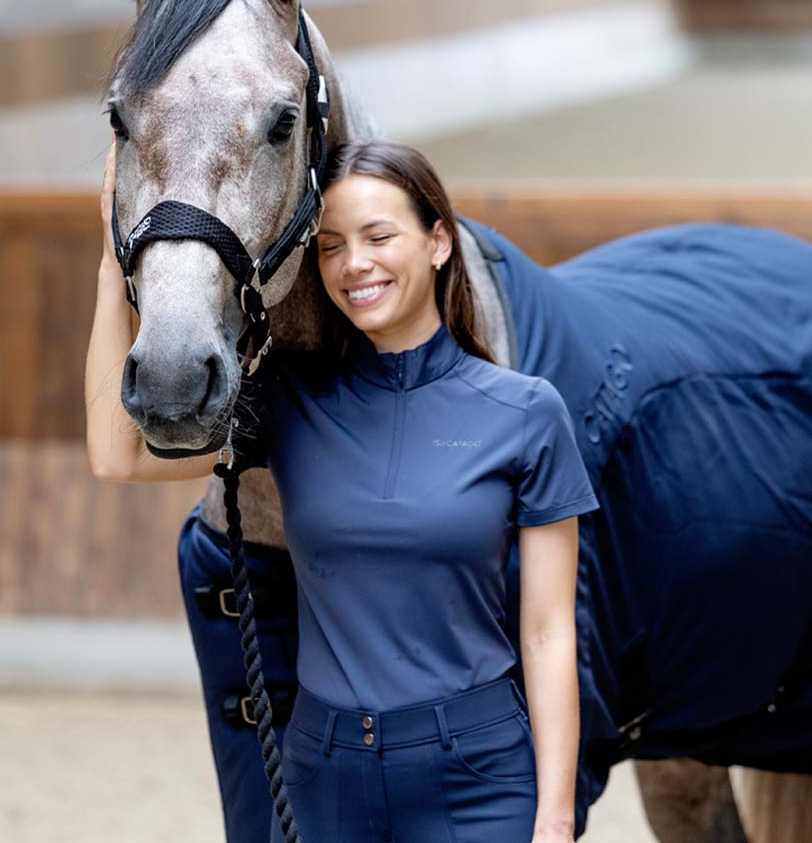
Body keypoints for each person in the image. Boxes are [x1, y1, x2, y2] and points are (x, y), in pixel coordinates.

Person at [86, 137, 599, 843]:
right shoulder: (289, 402)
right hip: (323, 777)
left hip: (476, 775)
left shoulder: (527, 413)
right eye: (329, 247)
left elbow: (546, 634)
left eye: (378, 236)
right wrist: (117, 264)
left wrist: (557, 815)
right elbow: (118, 457)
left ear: (438, 243)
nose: (354, 264)